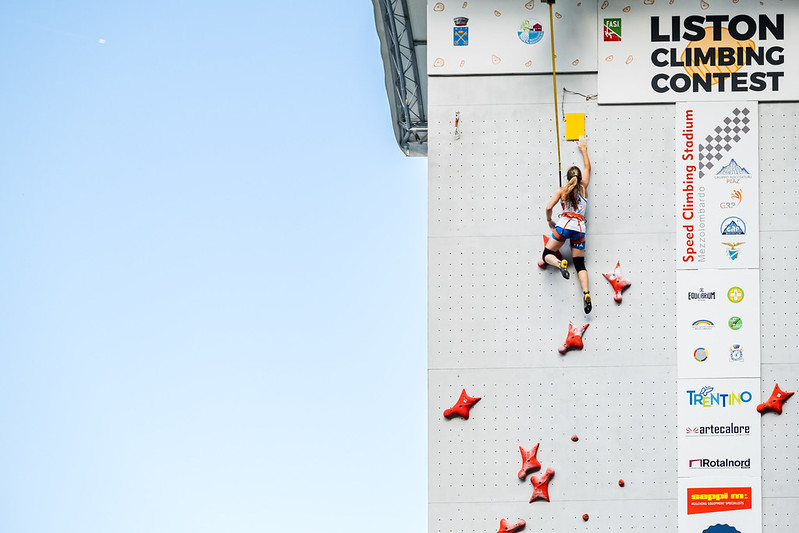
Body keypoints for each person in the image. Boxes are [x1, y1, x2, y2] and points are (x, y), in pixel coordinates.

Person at [541, 136, 592, 314]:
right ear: (578, 179)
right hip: (579, 229)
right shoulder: (584, 187)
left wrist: (550, 221)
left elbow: (548, 207)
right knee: (579, 264)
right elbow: (587, 168)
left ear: (568, 178)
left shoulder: (562, 191)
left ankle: (560, 264)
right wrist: (583, 149)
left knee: (547, 253)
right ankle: (586, 293)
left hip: (563, 225)